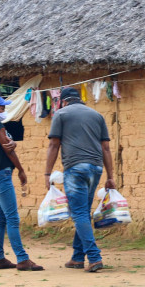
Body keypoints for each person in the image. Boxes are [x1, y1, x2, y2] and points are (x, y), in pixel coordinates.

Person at [44, 87, 115, 272]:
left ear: (64, 101)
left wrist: (47, 173)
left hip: (75, 168)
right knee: (83, 211)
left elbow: (54, 144)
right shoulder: (97, 115)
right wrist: (111, 176)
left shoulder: (61, 114)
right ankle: (77, 257)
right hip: (96, 168)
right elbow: (106, 148)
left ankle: (94, 257)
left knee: (79, 213)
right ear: (79, 99)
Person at [0, 87, 44, 271]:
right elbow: (9, 149)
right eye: (1, 107)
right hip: (1, 175)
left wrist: (10, 143)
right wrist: (21, 170)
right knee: (12, 219)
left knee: (1, 218)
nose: (3, 110)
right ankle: (22, 259)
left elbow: (3, 146)